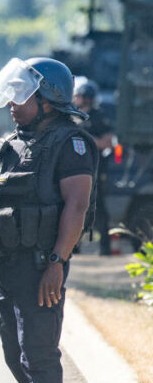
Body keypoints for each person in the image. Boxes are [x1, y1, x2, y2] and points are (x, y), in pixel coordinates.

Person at [0, 57, 96, 383]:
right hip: (9, 267)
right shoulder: (10, 143)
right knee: (16, 355)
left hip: (41, 266)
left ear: (49, 98)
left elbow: (77, 205)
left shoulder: (71, 143)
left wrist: (56, 262)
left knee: (38, 355)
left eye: (22, 93)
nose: (12, 102)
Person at [72, 77, 115, 255]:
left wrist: (87, 140)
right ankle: (74, 246)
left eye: (81, 96)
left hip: (95, 170)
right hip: (73, 170)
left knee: (98, 210)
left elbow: (108, 142)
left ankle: (105, 248)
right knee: (73, 208)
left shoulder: (98, 117)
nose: (78, 100)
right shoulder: (71, 116)